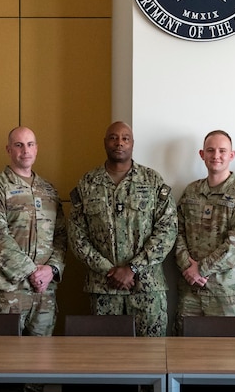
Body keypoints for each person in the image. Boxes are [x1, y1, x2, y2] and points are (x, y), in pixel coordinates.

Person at [0, 127, 66, 392]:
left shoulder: (49, 190)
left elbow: (61, 237)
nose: (24, 150)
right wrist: (31, 271)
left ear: (36, 149)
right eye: (18, 145)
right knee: (3, 362)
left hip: (44, 293)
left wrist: (51, 269)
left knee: (39, 363)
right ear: (8, 149)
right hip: (7, 291)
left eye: (29, 144)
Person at [69, 121, 178, 338]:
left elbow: (168, 229)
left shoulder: (152, 180)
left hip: (147, 287)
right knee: (107, 360)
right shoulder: (88, 183)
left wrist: (133, 268)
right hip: (103, 287)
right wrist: (109, 270)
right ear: (105, 142)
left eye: (125, 138)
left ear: (133, 143)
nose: (119, 143)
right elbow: (76, 235)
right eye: (113, 137)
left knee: (151, 358)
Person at [173, 130, 235, 329]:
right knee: (186, 353)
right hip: (191, 290)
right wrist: (188, 266)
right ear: (202, 154)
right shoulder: (191, 191)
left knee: (229, 356)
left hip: (227, 292)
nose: (216, 155)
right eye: (210, 150)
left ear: (232, 155)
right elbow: (176, 232)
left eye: (222, 151)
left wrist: (200, 269)